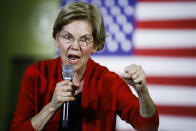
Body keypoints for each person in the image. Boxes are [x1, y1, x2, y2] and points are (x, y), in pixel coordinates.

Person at [10, 2, 159, 131]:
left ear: (95, 45)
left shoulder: (110, 82)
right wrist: (51, 106)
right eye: (68, 37)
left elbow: (149, 127)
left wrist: (143, 93)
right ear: (56, 39)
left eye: (84, 39)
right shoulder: (36, 74)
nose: (75, 46)